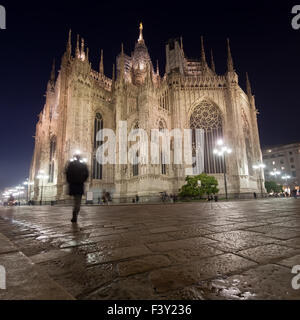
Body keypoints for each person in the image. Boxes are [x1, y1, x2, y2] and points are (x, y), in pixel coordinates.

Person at [66, 154, 89, 223]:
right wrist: (83, 180)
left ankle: (74, 214)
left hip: (72, 185)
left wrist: (69, 182)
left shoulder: (71, 164)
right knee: (78, 202)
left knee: (75, 201)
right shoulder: (83, 165)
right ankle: (75, 214)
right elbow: (87, 174)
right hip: (79, 185)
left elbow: (67, 173)